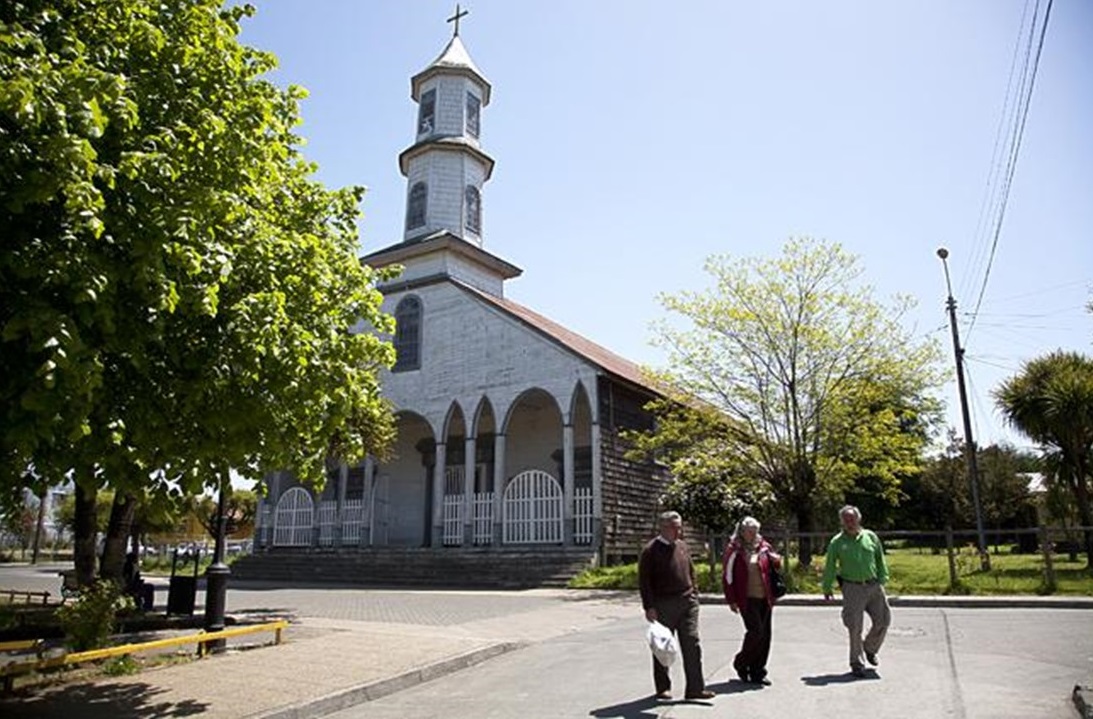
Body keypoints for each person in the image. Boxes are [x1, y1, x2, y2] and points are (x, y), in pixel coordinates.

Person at [638, 511, 715, 701]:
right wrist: (649, 607)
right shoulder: (650, 550)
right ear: (663, 528)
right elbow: (644, 582)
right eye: (674, 527)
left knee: (692, 645)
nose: (678, 530)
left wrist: (694, 594)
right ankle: (663, 688)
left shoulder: (682, 546)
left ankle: (695, 689)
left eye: (679, 526)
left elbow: (691, 570)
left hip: (687, 603)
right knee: (662, 647)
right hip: (663, 605)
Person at [822, 505, 891, 677]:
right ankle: (857, 663)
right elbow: (830, 565)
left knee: (883, 620)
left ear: (858, 519)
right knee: (855, 626)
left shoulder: (870, 537)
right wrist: (827, 586)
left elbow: (879, 558)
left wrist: (883, 577)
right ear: (842, 522)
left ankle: (869, 648)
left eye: (852, 519)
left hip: (874, 585)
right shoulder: (837, 542)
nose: (849, 522)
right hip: (852, 587)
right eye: (846, 520)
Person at [721, 516, 781, 686]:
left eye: (755, 531)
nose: (753, 534)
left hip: (765, 597)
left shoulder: (764, 546)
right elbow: (728, 576)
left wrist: (776, 561)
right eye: (749, 531)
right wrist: (731, 599)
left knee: (765, 635)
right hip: (746, 599)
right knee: (756, 632)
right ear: (742, 532)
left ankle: (758, 672)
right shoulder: (734, 549)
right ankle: (741, 663)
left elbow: (772, 568)